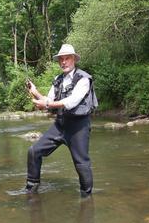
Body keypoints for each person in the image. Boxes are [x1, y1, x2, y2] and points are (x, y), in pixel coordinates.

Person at [24, 44, 98, 196]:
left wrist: (46, 104)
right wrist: (35, 92)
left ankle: (86, 196)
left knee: (81, 163)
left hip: (79, 127)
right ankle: (32, 189)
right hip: (60, 124)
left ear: (74, 60)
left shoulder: (84, 79)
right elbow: (49, 100)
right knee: (33, 151)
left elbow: (71, 102)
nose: (64, 62)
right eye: (61, 59)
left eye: (67, 58)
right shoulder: (58, 80)